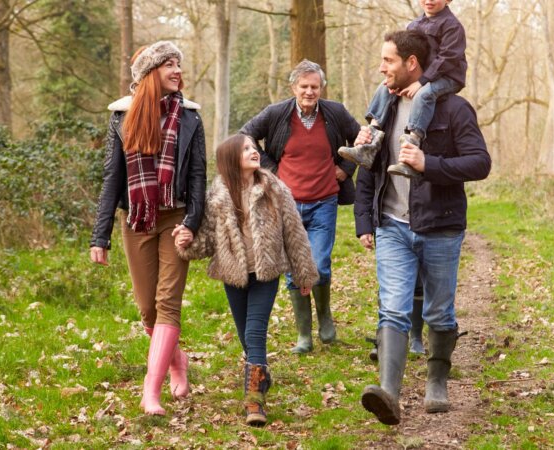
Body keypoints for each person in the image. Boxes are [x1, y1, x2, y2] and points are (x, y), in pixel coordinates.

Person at [354, 30, 491, 425]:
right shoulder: (383, 109)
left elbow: (479, 163)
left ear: (411, 63)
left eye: (389, 61)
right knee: (393, 310)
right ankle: (389, 394)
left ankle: (437, 383)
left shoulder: (453, 110)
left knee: (438, 312)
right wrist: (365, 218)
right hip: (392, 226)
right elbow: (368, 169)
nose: (382, 68)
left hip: (441, 227)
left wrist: (428, 165)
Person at [89, 41, 206, 416]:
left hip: (176, 218)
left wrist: (192, 221)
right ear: (149, 73)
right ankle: (177, 362)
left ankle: (149, 392)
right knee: (146, 310)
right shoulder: (122, 118)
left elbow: (200, 175)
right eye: (168, 64)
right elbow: (112, 177)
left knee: (167, 302)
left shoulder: (189, 117)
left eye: (178, 64)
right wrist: (100, 235)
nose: (177, 70)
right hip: (137, 219)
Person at [174, 134, 318, 427]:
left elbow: (295, 233)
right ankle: (260, 372)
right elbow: (207, 242)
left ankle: (254, 402)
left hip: (266, 273)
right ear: (230, 159)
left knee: (254, 333)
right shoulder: (217, 196)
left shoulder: (274, 189)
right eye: (246, 149)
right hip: (234, 276)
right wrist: (186, 240)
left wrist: (304, 273)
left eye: (254, 147)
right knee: (245, 338)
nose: (254, 152)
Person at [240, 60, 361, 354]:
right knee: (295, 270)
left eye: (314, 87)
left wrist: (345, 168)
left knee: (318, 265)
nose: (309, 92)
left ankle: (326, 321)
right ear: (294, 87)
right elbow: (245, 133)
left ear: (321, 88)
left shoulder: (336, 112)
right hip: (287, 205)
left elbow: (361, 138)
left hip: (324, 201)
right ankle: (304, 335)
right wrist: (270, 168)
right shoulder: (277, 113)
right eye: (304, 86)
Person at [338, 0, 467, 179]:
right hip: (422, 78)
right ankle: (369, 143)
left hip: (448, 77)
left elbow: (447, 59)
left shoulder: (452, 26)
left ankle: (412, 144)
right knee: (385, 87)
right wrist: (401, 81)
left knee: (424, 95)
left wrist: (421, 81)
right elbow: (408, 56)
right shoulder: (414, 25)